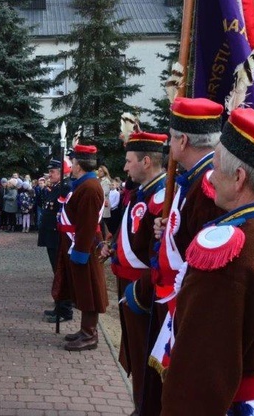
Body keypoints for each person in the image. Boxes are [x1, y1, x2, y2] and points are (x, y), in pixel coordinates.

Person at [161, 108, 254, 414]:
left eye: (215, 167)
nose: (210, 176)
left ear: (239, 178)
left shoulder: (225, 253)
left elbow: (198, 371)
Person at [149, 98, 226, 377]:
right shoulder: (194, 177)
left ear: (182, 141)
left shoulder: (207, 184)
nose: (169, 146)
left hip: (186, 301)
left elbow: (205, 250)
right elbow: (187, 230)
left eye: (171, 139)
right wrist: (167, 229)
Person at [100, 132, 167, 414]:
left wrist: (138, 291)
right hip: (129, 282)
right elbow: (132, 233)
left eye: (129, 161)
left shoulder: (161, 196)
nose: (125, 168)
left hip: (143, 290)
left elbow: (158, 252)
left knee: (144, 355)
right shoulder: (142, 192)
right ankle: (139, 404)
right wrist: (112, 246)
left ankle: (144, 407)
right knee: (135, 350)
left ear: (147, 161)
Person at [58, 144, 109, 351]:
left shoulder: (89, 188)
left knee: (89, 291)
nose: (70, 166)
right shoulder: (83, 185)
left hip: (84, 248)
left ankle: (90, 334)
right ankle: (85, 330)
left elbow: (87, 224)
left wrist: (80, 253)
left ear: (78, 165)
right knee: (82, 290)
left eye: (72, 162)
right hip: (79, 244)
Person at [38, 158, 73, 323]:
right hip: (51, 236)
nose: (49, 174)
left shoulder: (64, 188)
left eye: (52, 171)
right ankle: (59, 306)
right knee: (57, 272)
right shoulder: (55, 188)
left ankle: (64, 310)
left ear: (61, 172)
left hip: (57, 236)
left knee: (61, 273)